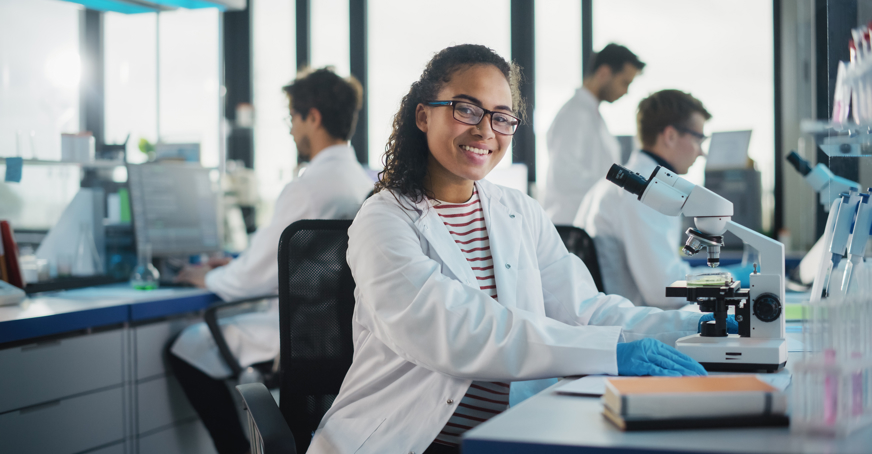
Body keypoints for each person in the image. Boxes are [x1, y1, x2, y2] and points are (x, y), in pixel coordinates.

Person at [307, 45, 710, 454]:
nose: (485, 131)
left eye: (501, 117)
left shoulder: (518, 211)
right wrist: (607, 351)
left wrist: (697, 328)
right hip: (405, 440)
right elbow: (456, 331)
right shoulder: (382, 220)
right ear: (424, 114)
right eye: (466, 109)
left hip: (515, 432)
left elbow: (587, 310)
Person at [168, 68, 374, 454]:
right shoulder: (361, 180)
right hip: (335, 330)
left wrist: (205, 278)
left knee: (186, 347)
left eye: (292, 119)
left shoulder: (307, 187)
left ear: (312, 117)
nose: (291, 130)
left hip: (296, 332)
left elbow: (253, 276)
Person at [574, 89, 751, 309]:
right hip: (637, 326)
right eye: (699, 139)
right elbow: (666, 289)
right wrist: (732, 277)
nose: (701, 152)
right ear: (670, 136)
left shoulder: (609, 186)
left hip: (622, 319)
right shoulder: (648, 192)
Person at [542, 43, 645, 225]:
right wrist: (619, 189)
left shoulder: (592, 116)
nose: (626, 91)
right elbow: (564, 175)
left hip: (585, 223)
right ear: (604, 73)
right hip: (570, 226)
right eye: (624, 82)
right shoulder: (574, 115)